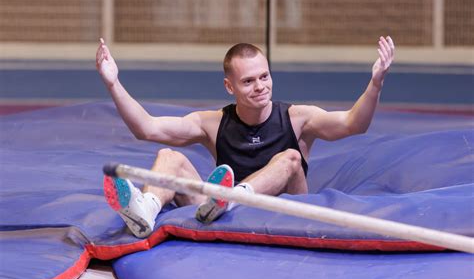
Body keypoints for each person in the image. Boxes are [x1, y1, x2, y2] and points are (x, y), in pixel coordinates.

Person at [96, 36, 395, 238]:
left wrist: (376, 84)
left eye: (264, 77)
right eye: (248, 81)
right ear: (230, 86)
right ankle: (144, 212)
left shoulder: (297, 118)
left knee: (290, 158)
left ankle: (231, 198)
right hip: (224, 214)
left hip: (286, 212)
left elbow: (354, 123)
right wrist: (113, 84)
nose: (260, 87)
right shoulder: (213, 123)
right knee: (168, 157)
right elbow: (147, 128)